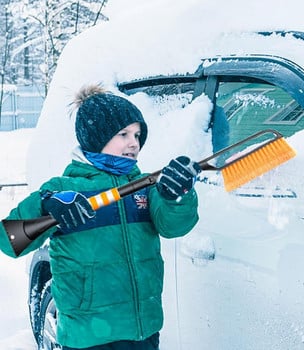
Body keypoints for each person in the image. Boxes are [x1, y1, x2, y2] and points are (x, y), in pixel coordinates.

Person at [0, 84, 201, 349]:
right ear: (96, 136)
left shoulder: (145, 185)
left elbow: (174, 226)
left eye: (138, 135)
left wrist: (177, 195)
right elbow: (8, 240)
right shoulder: (63, 189)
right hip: (89, 337)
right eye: (124, 134)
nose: (134, 142)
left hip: (143, 330)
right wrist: (46, 206)